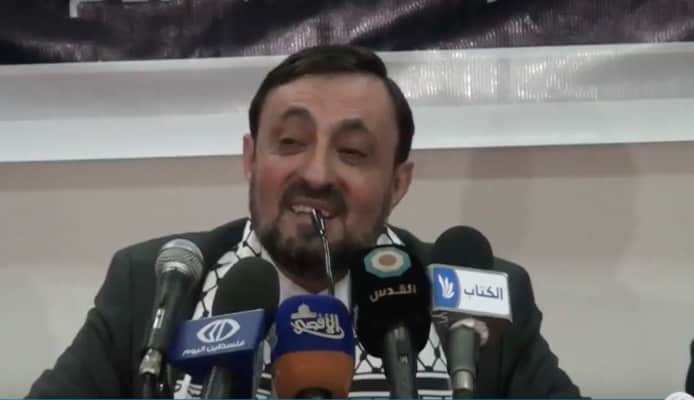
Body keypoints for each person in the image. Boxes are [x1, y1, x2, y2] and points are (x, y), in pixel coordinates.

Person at [28, 44, 581, 398]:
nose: (316, 174)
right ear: (251, 160)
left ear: (398, 182)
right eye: (290, 142)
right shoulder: (155, 284)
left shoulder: (476, 303)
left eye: (354, 152)